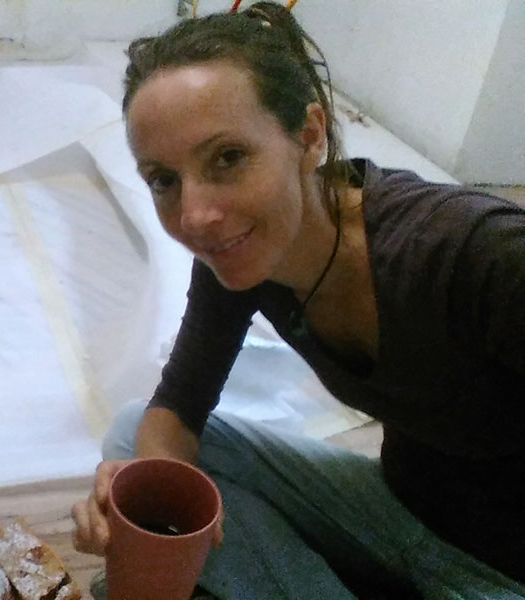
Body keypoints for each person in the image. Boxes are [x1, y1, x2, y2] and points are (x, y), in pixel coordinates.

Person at [70, 2, 525, 598]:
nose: (196, 215)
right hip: (393, 510)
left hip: (498, 569)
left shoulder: (478, 254)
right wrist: (148, 506)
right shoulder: (241, 255)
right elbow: (178, 404)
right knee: (136, 443)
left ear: (309, 136)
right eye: (164, 179)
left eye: (228, 158)